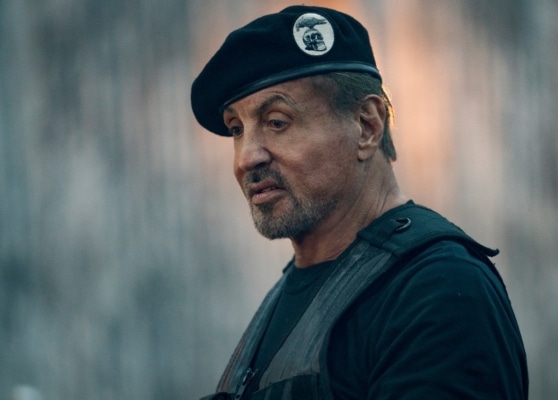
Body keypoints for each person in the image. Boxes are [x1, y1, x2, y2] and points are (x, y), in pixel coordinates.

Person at [191, 5, 528, 400]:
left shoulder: (438, 289)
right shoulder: (290, 293)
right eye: (236, 129)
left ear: (367, 126)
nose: (247, 157)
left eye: (277, 122)